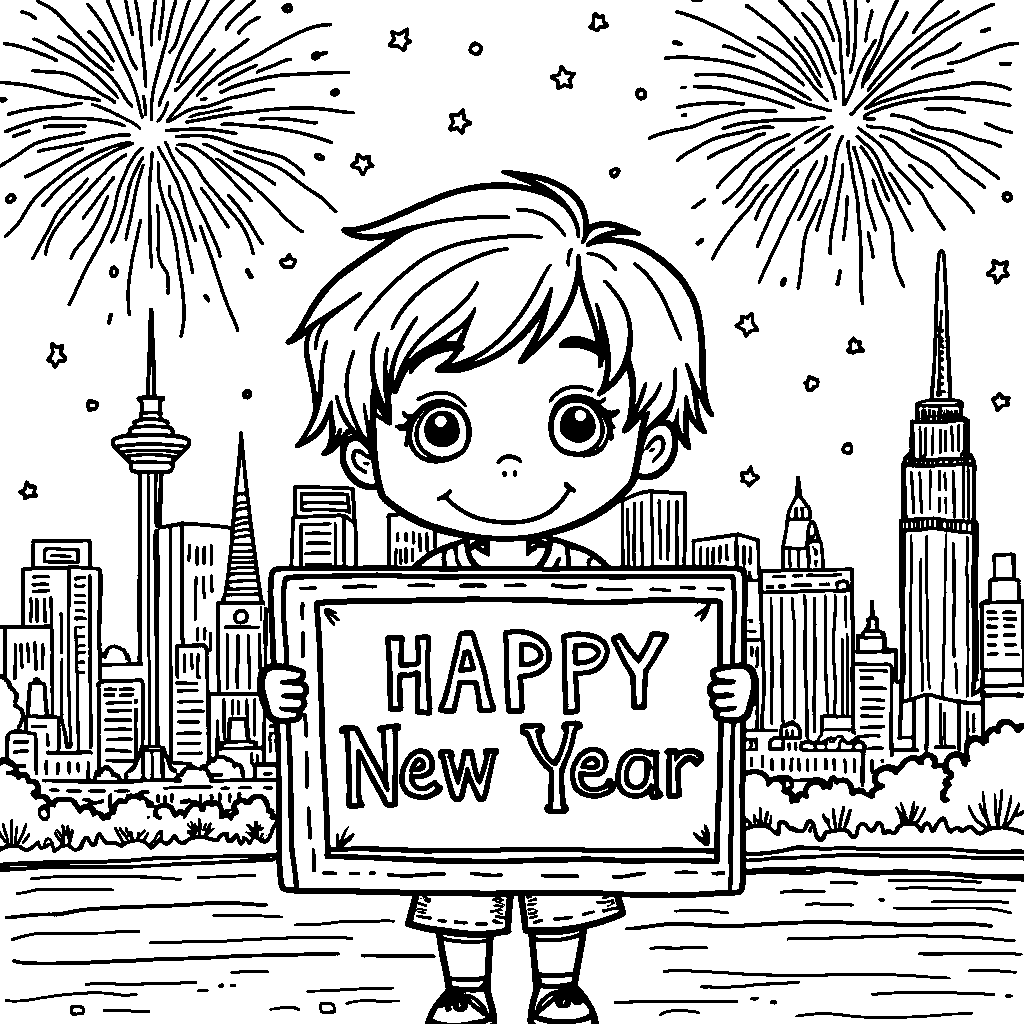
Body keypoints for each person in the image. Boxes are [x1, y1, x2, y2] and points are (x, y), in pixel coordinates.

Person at [260, 171, 755, 1024]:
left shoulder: (612, 599)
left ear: (654, 443)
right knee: (460, 883)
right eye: (440, 428)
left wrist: (723, 698)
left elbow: (663, 685)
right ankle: (466, 988)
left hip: (584, 795)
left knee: (567, 883)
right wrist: (292, 698)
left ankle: (561, 984)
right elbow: (348, 692)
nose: (511, 469)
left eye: (577, 424)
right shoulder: (397, 605)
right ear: (362, 456)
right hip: (449, 794)